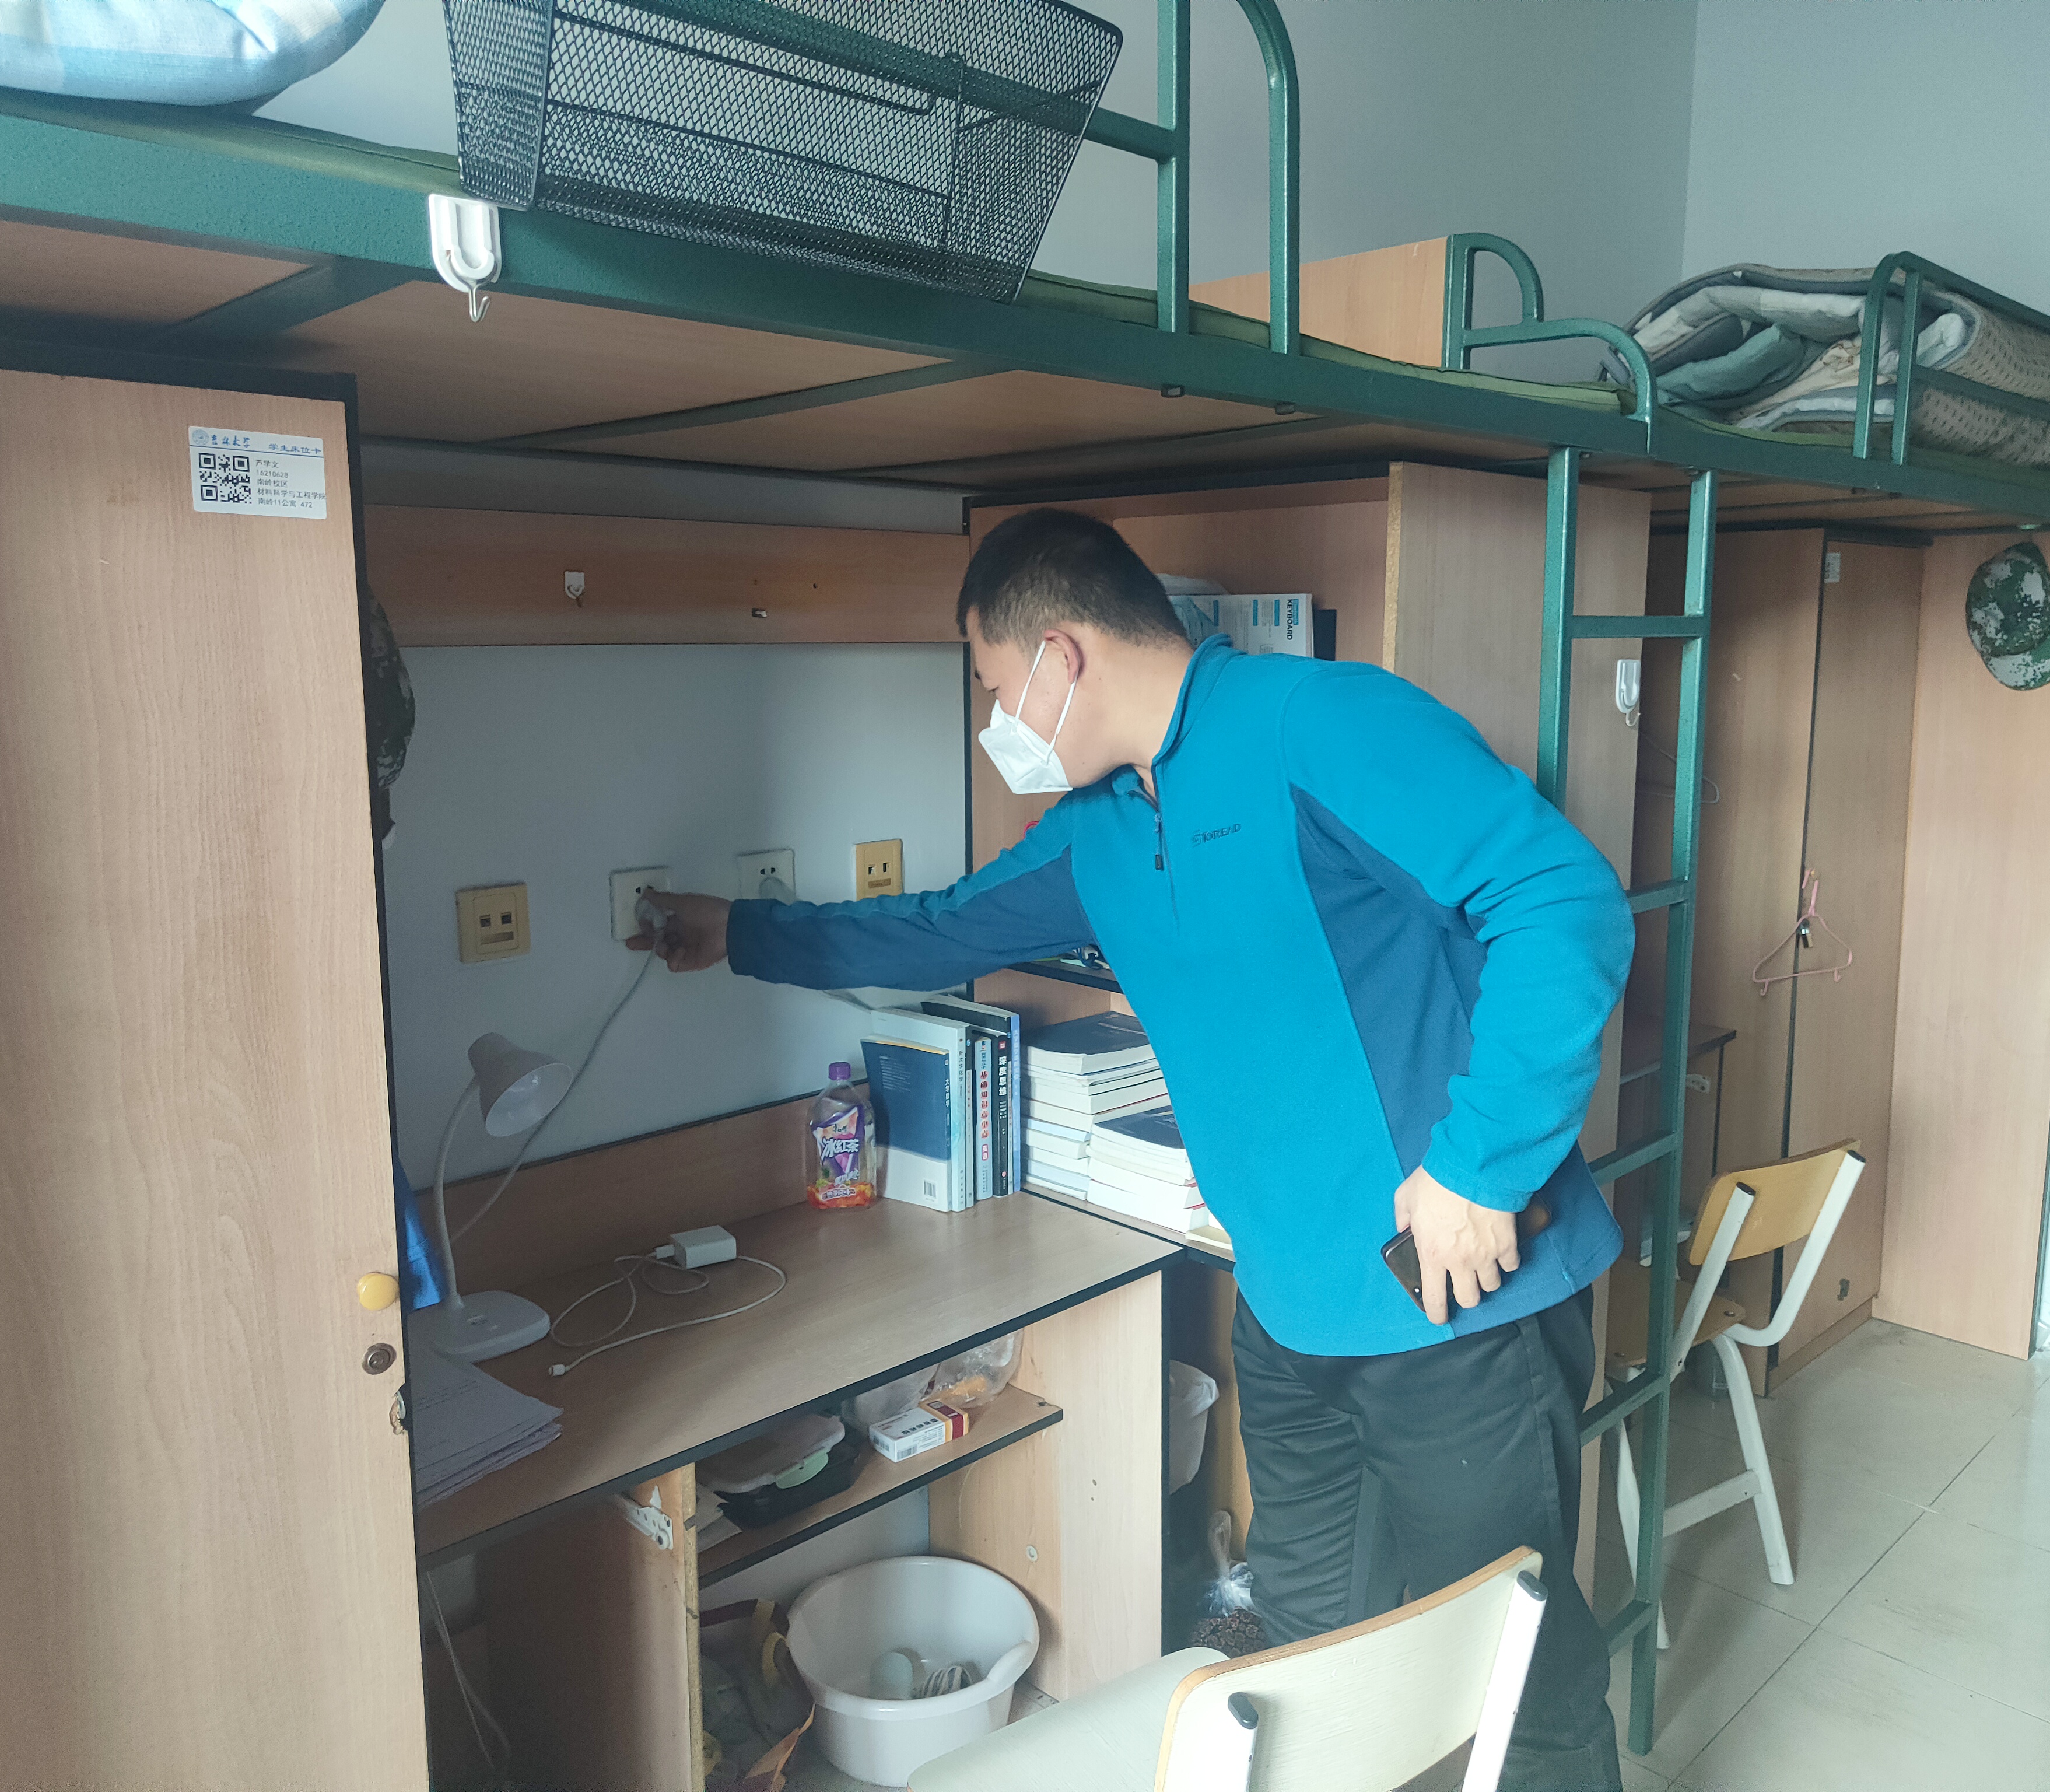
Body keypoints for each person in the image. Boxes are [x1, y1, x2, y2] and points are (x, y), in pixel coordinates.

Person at [641, 508, 1631, 1788]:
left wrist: (1479, 1168)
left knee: (1517, 1677)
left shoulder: (1319, 724)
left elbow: (1561, 899)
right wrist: (737, 932)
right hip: (1288, 1314)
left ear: (1060, 655)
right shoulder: (1103, 828)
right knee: (1316, 1662)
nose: (993, 719)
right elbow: (933, 929)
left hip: (1457, 1305)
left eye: (992, 684)